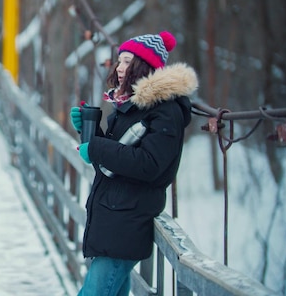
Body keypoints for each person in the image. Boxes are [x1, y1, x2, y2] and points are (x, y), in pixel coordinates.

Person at [70, 31, 198, 296]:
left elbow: (149, 165)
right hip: (112, 218)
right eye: (120, 61)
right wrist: (89, 133)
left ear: (145, 66)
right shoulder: (131, 106)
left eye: (128, 61)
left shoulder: (166, 110)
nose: (119, 68)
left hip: (125, 223)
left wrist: (96, 147)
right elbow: (113, 166)